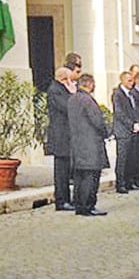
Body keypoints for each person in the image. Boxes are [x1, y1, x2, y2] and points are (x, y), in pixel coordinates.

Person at [67, 74, 109, 216]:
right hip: (91, 144)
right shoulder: (88, 100)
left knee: (79, 177)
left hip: (77, 144)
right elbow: (97, 121)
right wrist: (106, 132)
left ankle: (79, 205)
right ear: (89, 84)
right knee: (91, 177)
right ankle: (88, 205)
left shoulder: (72, 99)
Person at [46, 67, 75, 211]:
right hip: (60, 136)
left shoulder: (61, 90)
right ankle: (61, 200)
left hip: (67, 136)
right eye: (70, 79)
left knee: (66, 170)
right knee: (61, 172)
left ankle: (67, 199)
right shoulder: (55, 90)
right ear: (64, 79)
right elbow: (68, 107)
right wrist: (72, 94)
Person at [112, 71, 139, 194]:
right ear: (122, 80)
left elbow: (134, 110)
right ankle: (120, 183)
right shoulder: (117, 94)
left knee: (131, 158)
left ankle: (129, 181)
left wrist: (136, 122)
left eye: (132, 80)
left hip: (133, 130)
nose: (131, 83)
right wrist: (131, 124)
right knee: (122, 158)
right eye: (129, 80)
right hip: (122, 131)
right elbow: (119, 113)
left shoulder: (132, 94)